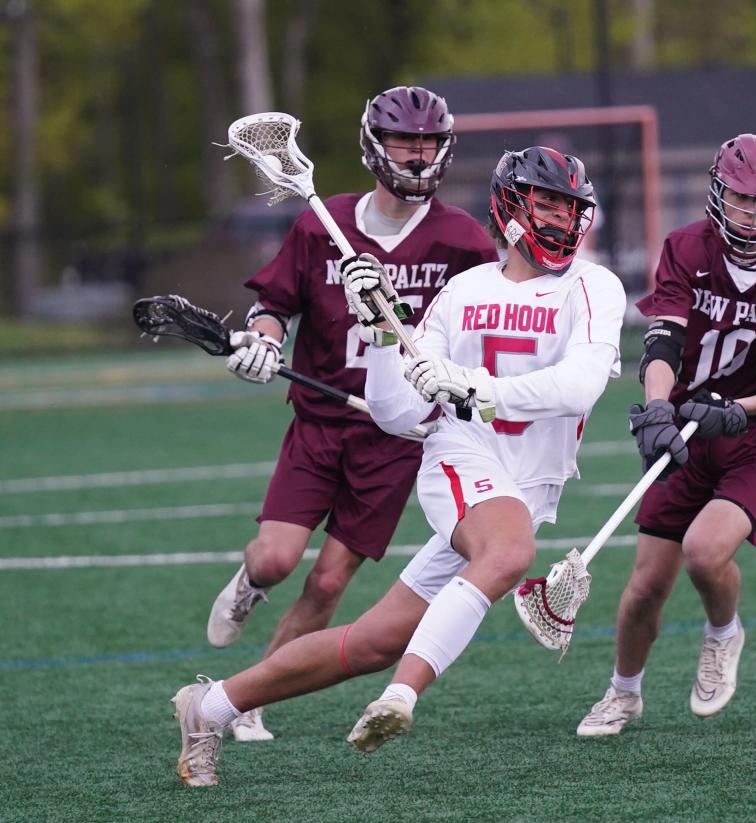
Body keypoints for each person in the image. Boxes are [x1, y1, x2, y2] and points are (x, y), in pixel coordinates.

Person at [171, 145, 626, 787]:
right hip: (460, 461)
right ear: (511, 207)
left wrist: (472, 385)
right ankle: (400, 698)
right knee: (507, 551)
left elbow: (579, 386)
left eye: (572, 206)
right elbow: (395, 413)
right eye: (547, 201)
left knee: (374, 639)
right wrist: (384, 335)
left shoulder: (595, 285)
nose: (562, 217)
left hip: (523, 484)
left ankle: (209, 705)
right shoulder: (459, 294)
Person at [207, 86, 498, 741]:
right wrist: (263, 339)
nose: (419, 155)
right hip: (319, 420)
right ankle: (251, 582)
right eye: (405, 141)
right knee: (279, 559)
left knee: (330, 578)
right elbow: (274, 302)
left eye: (429, 142)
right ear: (375, 147)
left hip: (397, 439)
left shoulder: (463, 241)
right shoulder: (323, 223)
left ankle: (252, 695)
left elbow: (484, 326)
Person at [577, 133, 756, 737]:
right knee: (645, 586)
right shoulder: (686, 247)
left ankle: (723, 633)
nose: (751, 214)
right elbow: (663, 341)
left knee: (703, 550)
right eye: (741, 200)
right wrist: (659, 411)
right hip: (692, 430)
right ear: (718, 194)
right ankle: (623, 693)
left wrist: (740, 408)